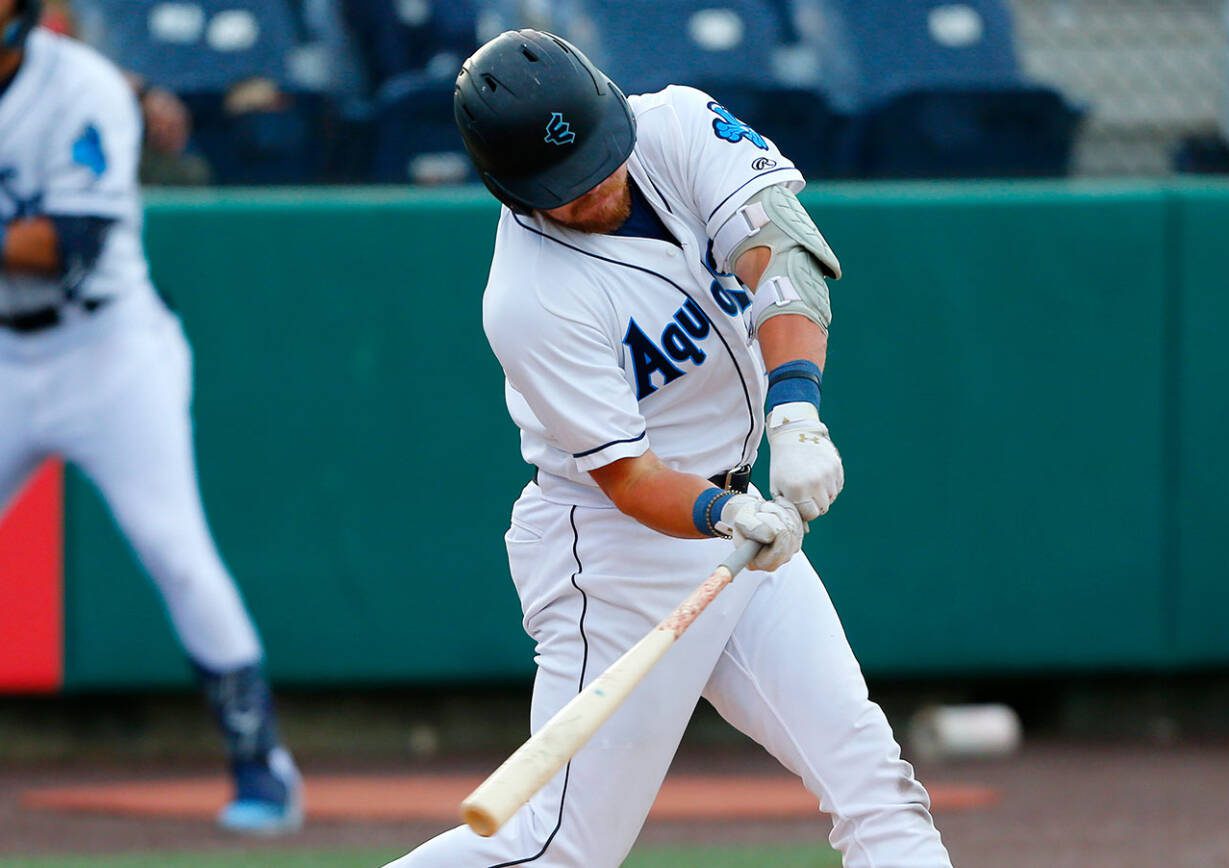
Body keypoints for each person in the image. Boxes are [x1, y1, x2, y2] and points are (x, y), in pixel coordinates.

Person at [388, 29, 951, 867]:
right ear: (511, 190)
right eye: (564, 186)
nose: (594, 188)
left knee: (875, 782)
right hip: (620, 556)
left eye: (599, 159)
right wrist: (726, 512)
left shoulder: (680, 125)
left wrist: (796, 415)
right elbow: (628, 477)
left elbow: (783, 251)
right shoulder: (529, 298)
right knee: (558, 851)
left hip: (747, 535)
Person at [0, 0, 301, 835]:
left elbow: (71, 240)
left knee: (174, 550)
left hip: (108, 348)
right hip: (6, 354)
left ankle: (262, 762)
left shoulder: (83, 86)